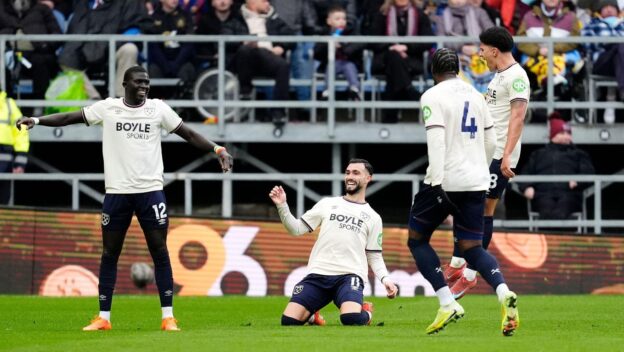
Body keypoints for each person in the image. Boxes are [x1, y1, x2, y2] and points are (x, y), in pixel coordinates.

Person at [16, 66, 234, 331]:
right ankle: (103, 318)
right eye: (139, 82)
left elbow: (188, 134)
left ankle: (168, 317)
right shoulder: (108, 108)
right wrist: (37, 121)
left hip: (150, 192)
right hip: (117, 193)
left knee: (160, 251)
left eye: (147, 82)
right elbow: (69, 117)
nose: (144, 86)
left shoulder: (158, 109)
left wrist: (217, 148)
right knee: (109, 253)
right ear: (125, 84)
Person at [406, 48, 519, 336]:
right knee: (473, 247)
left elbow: (436, 141)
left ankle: (447, 303)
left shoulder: (432, 96)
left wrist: (436, 179)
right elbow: (492, 141)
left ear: (433, 71)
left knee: (417, 240)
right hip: (476, 180)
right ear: (458, 69)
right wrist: (479, 168)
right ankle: (504, 291)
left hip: (446, 180)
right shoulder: (475, 93)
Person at [444, 26, 529, 300]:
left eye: (482, 49)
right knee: (466, 204)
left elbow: (517, 117)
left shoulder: (516, 77)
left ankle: (467, 274)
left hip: (498, 155)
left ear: (494, 50)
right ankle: (460, 264)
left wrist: (506, 156)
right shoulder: (499, 77)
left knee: (483, 210)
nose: (480, 54)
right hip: (483, 152)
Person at [269, 158, 398, 326]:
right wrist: (283, 206)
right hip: (318, 274)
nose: (350, 176)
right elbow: (296, 229)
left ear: (368, 178)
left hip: (349, 276)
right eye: (348, 173)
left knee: (350, 319)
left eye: (356, 173)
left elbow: (374, 255)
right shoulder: (327, 203)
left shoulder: (373, 217)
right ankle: (312, 316)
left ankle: (366, 312)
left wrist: (385, 279)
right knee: (288, 321)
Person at [221, 0, 294, 131]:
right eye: (264, 1)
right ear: (252, 2)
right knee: (246, 49)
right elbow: (224, 39)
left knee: (283, 66)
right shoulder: (236, 18)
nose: (268, 4)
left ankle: (278, 112)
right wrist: (243, 41)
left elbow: (291, 36)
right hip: (246, 57)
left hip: (268, 54)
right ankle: (245, 89)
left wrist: (282, 47)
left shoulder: (274, 18)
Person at [368, 0, 434, 123]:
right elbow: (372, 41)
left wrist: (406, 47)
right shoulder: (382, 14)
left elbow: (428, 41)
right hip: (384, 59)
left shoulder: (420, 15)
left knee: (394, 69)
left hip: (412, 60)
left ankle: (390, 117)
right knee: (394, 58)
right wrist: (392, 47)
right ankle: (409, 89)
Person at [519, 114, 595, 219]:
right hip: (543, 194)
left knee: (561, 212)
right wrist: (526, 187)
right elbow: (525, 173)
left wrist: (578, 181)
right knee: (546, 211)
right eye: (562, 133)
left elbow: (589, 173)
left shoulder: (579, 154)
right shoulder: (538, 154)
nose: (567, 136)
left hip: (570, 195)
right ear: (553, 135)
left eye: (569, 133)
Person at [314, 4, 365, 101]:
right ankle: (327, 90)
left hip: (349, 62)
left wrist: (343, 46)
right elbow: (317, 52)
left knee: (349, 67)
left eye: (343, 19)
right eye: (337, 19)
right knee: (331, 67)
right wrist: (329, 46)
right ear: (329, 21)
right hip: (331, 63)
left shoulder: (351, 32)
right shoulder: (324, 34)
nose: (341, 21)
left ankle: (354, 89)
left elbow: (359, 45)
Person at [0, 91, 28, 205]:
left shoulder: (9, 104)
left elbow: (21, 131)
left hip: (4, 161)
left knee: (3, 200)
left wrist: (20, 161)